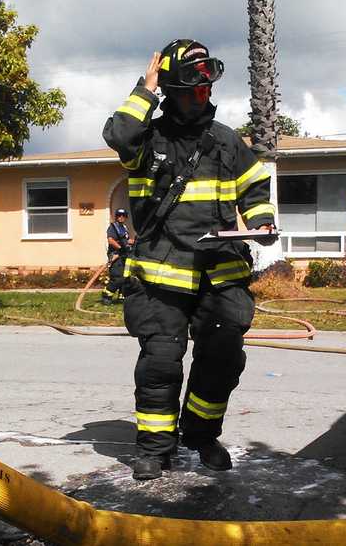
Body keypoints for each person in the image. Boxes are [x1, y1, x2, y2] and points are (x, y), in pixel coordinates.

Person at [103, 39, 277, 481]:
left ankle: (201, 436)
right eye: (195, 89)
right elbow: (119, 134)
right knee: (160, 363)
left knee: (222, 360)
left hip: (220, 273)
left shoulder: (226, 141)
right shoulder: (146, 141)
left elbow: (254, 187)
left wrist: (260, 223)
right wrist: (145, 89)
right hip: (162, 274)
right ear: (172, 89)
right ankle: (155, 449)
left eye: (208, 88)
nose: (205, 95)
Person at [101, 208, 134, 305]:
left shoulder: (124, 227)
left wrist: (131, 242)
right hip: (116, 255)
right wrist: (120, 248)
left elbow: (125, 240)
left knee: (126, 276)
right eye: (119, 215)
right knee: (117, 277)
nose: (121, 217)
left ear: (126, 217)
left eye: (123, 215)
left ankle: (122, 296)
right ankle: (106, 295)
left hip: (125, 256)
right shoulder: (113, 227)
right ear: (116, 217)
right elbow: (111, 240)